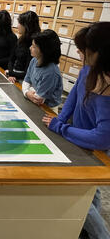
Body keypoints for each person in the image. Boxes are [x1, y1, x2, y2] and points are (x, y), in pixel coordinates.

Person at [42, 22, 110, 239]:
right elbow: (71, 99)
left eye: (84, 51)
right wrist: (57, 122)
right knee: (91, 192)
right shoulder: (88, 70)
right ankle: (84, 230)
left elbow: (101, 138)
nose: (80, 54)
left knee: (79, 198)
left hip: (94, 149)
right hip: (77, 140)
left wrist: (61, 127)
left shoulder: (107, 85)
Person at [22, 29, 62, 112]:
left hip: (47, 109)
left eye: (33, 46)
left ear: (43, 50)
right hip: (33, 101)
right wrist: (27, 92)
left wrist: (28, 91)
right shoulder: (34, 60)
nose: (30, 48)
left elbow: (38, 99)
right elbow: (26, 81)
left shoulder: (51, 72)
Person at [6, 11, 40, 83]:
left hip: (25, 81)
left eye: (19, 23)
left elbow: (28, 73)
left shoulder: (34, 45)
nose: (17, 26)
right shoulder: (20, 40)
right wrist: (11, 73)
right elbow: (11, 59)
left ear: (26, 26)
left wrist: (10, 73)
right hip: (13, 76)